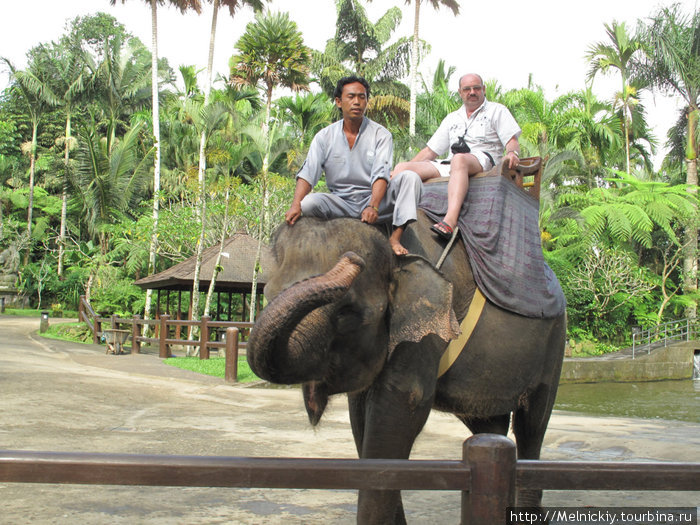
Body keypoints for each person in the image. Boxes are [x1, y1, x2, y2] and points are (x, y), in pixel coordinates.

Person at [285, 75, 422, 256]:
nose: (357, 102)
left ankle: (395, 237)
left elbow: (381, 174)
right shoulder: (324, 136)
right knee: (308, 203)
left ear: (366, 101)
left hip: (375, 201)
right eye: (351, 97)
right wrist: (296, 204)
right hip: (340, 202)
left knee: (411, 178)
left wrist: (373, 206)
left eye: (362, 97)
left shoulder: (381, 134)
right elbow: (309, 173)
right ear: (339, 102)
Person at [392, 73, 521, 239]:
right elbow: (430, 152)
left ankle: (449, 221)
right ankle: (382, 213)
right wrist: (398, 170)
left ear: (484, 89)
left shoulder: (497, 111)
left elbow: (512, 141)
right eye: (467, 89)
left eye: (476, 88)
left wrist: (512, 153)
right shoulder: (452, 118)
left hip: (483, 162)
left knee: (459, 159)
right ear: (460, 92)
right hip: (451, 164)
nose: (472, 92)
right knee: (402, 168)